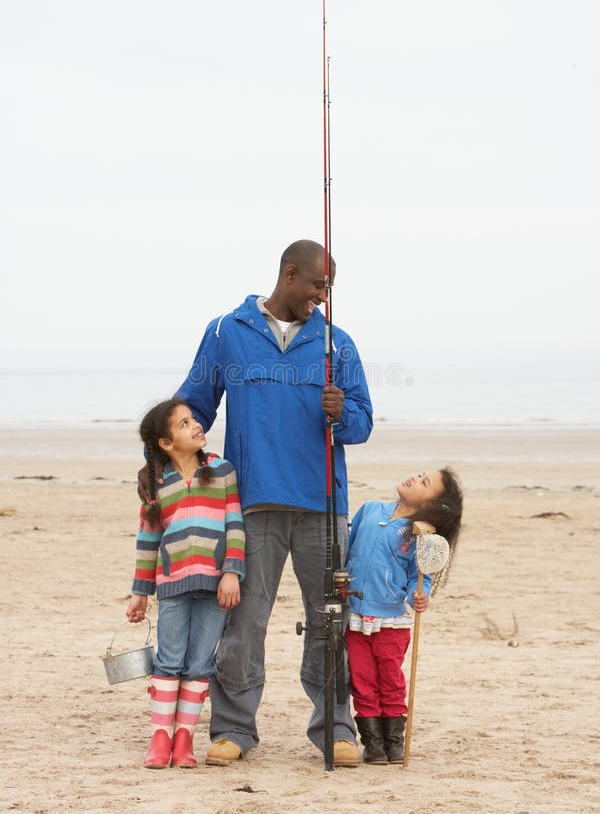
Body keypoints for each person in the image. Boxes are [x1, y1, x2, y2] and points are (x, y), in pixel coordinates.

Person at [150, 239, 373, 767]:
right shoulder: (227, 332)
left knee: (330, 620)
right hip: (248, 504)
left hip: (324, 505)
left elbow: (362, 426)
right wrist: (157, 466)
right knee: (244, 621)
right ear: (290, 274)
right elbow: (192, 408)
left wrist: (342, 413)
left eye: (329, 288)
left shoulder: (336, 344)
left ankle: (336, 729)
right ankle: (232, 729)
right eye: (319, 285)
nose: (324, 296)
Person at [127, 398, 245, 769]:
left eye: (193, 419)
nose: (196, 425)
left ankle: (185, 738)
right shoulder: (156, 483)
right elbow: (147, 541)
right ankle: (160, 738)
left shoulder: (221, 470)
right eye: (183, 424)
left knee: (199, 663)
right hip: (173, 585)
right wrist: (140, 591)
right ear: (165, 442)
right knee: (169, 660)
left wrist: (231, 572)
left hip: (215, 586)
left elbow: (235, 524)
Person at [345, 468, 462, 764]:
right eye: (420, 474)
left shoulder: (420, 532)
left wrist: (418, 595)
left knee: (390, 679)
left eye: (425, 483)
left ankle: (393, 742)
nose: (415, 478)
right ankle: (373, 743)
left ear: (434, 504)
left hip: (391, 622)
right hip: (357, 615)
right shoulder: (371, 509)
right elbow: (346, 548)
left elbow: (418, 576)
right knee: (362, 680)